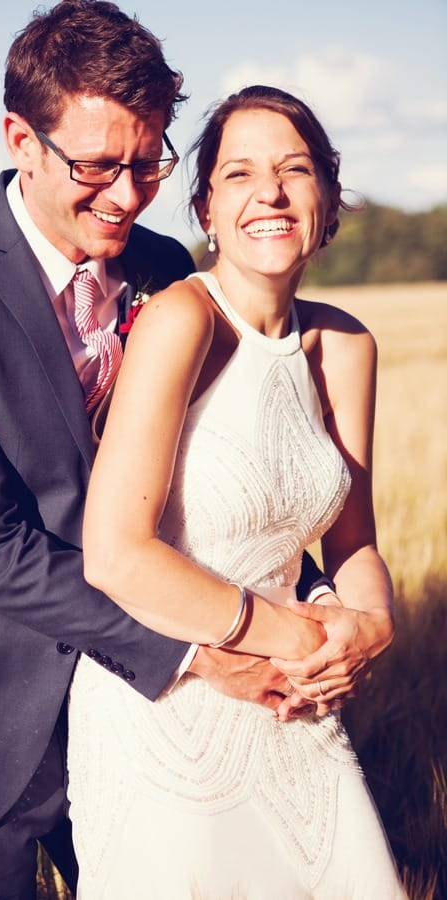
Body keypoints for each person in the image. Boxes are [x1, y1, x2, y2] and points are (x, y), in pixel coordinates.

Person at [0, 4, 329, 897]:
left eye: (147, 163)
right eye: (97, 165)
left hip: (128, 716)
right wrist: (198, 651)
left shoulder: (162, 268)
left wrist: (316, 597)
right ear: (19, 138)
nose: (124, 193)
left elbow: (222, 472)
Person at [71, 84, 405, 898]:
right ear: (206, 207)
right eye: (240, 174)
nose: (272, 193)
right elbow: (115, 554)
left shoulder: (345, 346)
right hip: (172, 709)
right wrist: (293, 642)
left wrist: (372, 627)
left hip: (297, 708)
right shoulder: (182, 320)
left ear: (326, 199)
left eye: (295, 170)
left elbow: (351, 541)